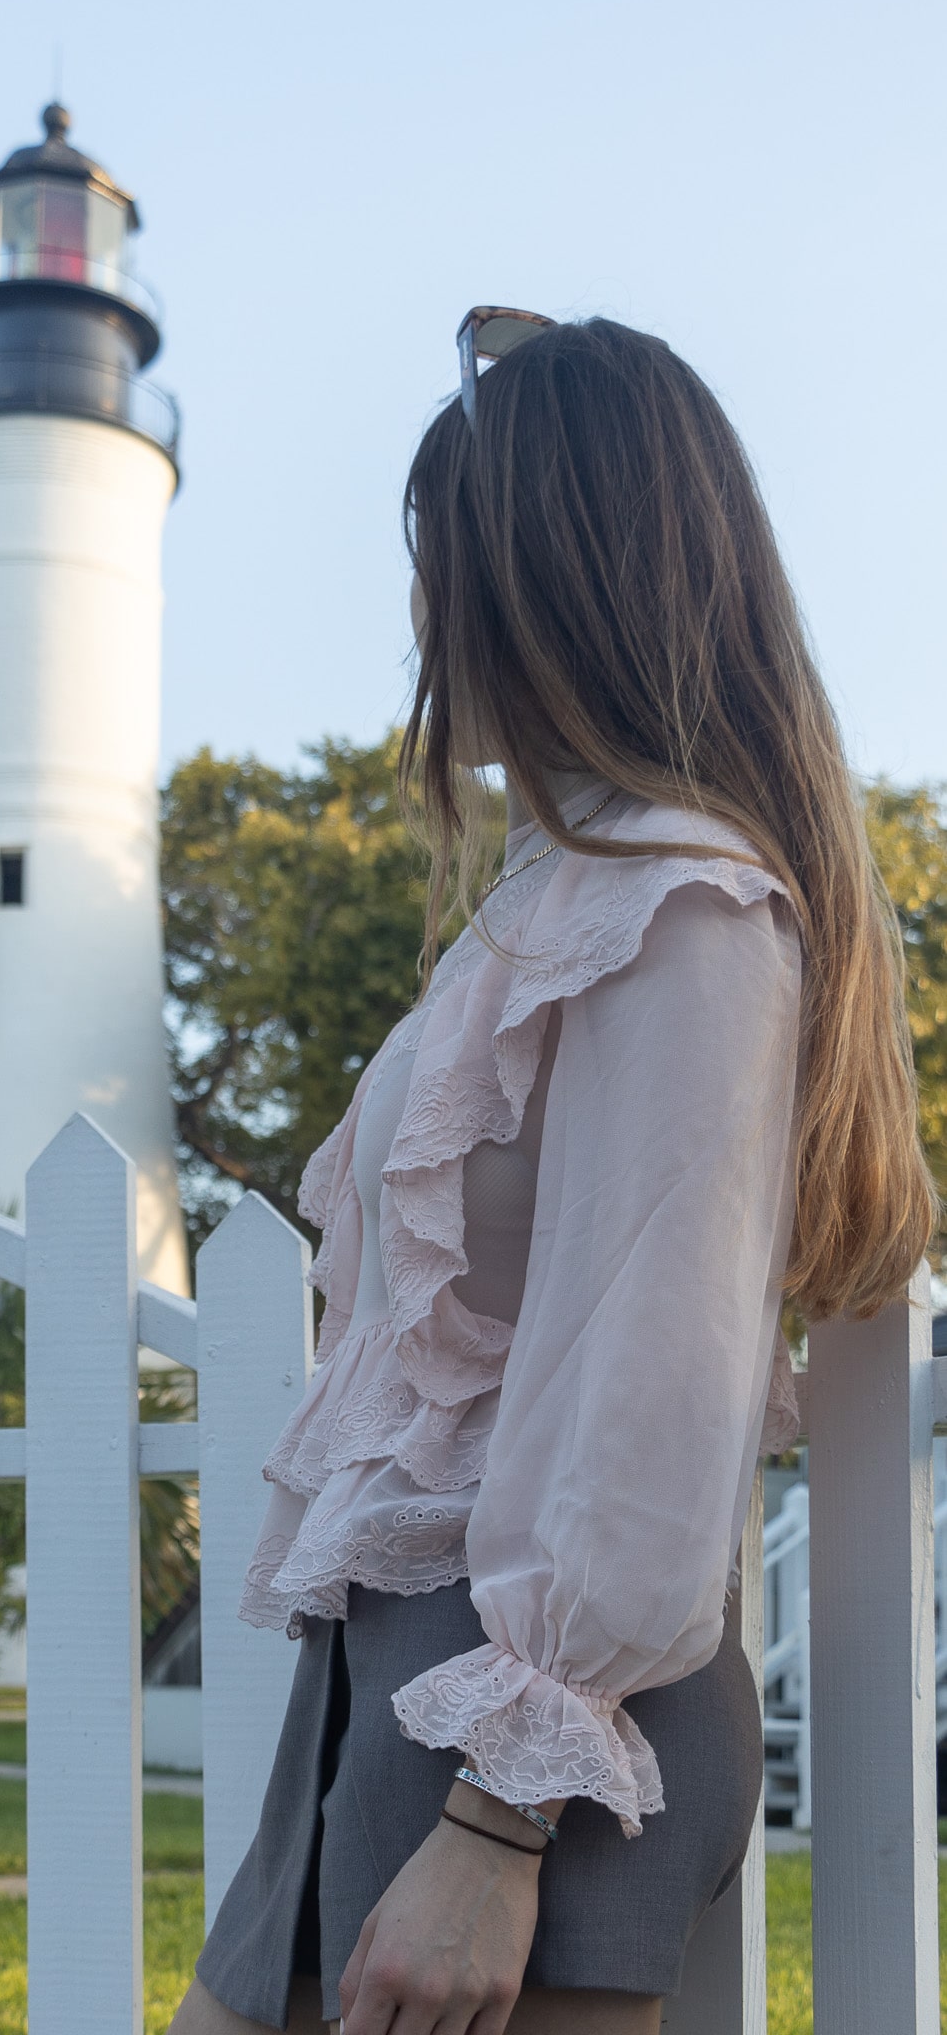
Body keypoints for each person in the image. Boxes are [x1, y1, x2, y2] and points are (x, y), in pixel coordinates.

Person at [170, 315, 937, 2035]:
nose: (427, 622)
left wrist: (495, 1818)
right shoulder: (553, 901)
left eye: (449, 568)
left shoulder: (684, 916)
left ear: (551, 580)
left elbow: (645, 1384)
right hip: (400, 1682)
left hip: (525, 1728)